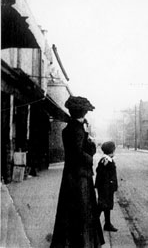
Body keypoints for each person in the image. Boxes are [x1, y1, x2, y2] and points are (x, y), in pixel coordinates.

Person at [51, 96, 104, 248]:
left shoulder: (68, 129)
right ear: (83, 113)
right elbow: (80, 153)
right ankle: (83, 243)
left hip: (70, 175)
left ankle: (68, 243)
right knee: (83, 209)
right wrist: (91, 149)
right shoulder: (78, 130)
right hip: (80, 175)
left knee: (68, 210)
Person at [95, 141, 118, 232]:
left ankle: (107, 224)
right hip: (105, 188)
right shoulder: (106, 160)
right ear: (111, 150)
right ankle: (93, 223)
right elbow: (102, 173)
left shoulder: (107, 159)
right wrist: (109, 185)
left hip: (106, 187)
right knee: (102, 205)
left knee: (107, 206)